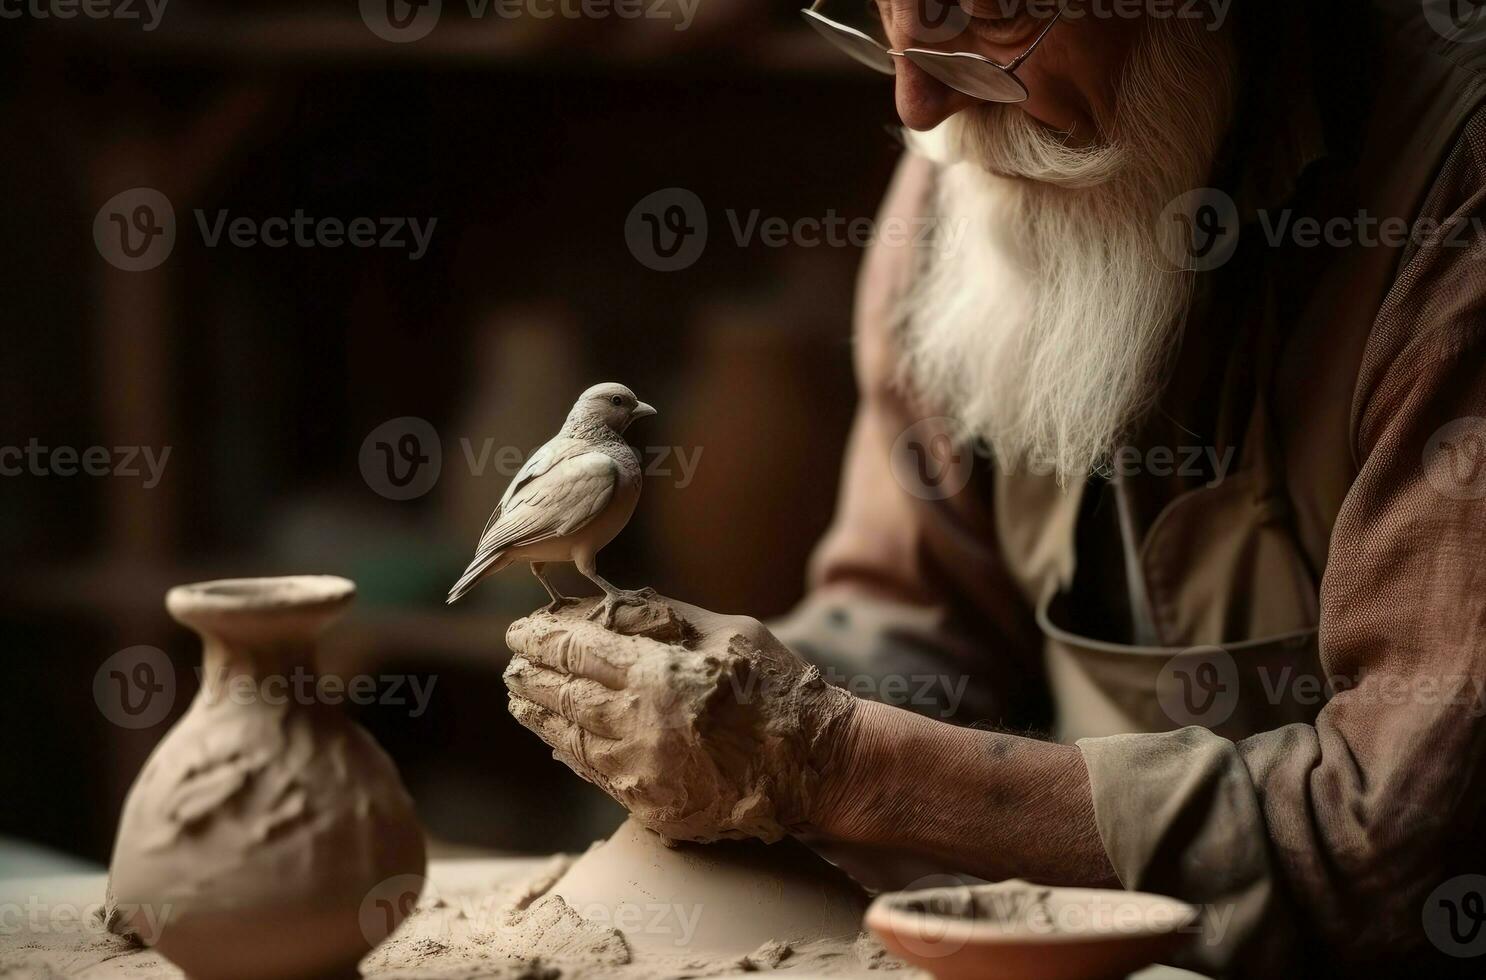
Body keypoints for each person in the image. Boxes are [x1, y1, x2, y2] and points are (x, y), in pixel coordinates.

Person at [504, 1, 1486, 973]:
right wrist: (723, 710)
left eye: (996, 12)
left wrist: (835, 761)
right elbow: (917, 622)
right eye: (892, 10)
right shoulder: (970, 149)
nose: (916, 100)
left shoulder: (1451, 186)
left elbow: (1389, 836)